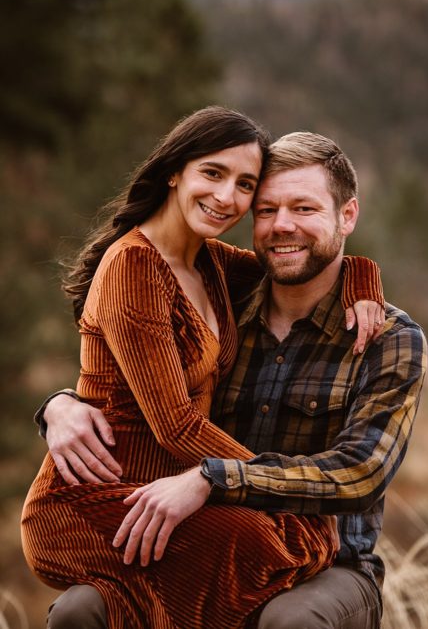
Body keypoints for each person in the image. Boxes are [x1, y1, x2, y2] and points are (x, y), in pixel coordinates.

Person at [22, 110, 389, 629]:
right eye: (212, 174)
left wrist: (363, 275)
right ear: (175, 171)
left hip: (165, 499)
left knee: (258, 555)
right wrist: (275, 499)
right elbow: (174, 424)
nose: (226, 198)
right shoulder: (133, 267)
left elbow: (305, 261)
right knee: (284, 543)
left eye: (244, 185)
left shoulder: (210, 263)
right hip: (92, 502)